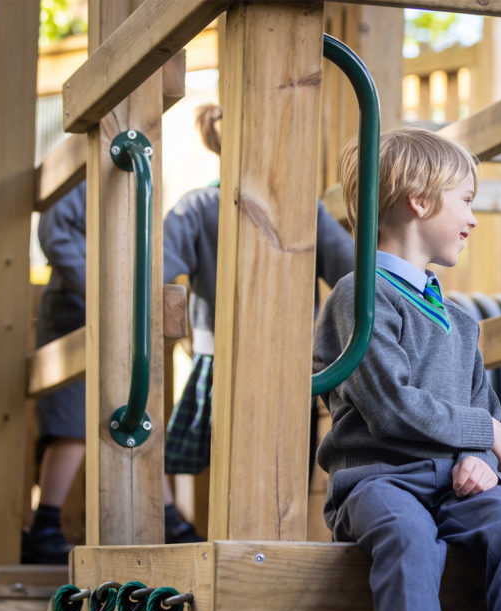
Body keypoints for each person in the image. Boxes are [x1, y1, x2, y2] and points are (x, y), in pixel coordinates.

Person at [313, 128, 501, 611]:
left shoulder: (459, 319)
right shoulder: (361, 295)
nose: (473, 219)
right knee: (407, 536)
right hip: (379, 482)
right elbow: (389, 406)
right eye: (466, 201)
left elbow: (483, 403)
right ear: (420, 201)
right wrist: (486, 430)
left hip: (453, 485)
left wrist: (482, 453)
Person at [162, 104, 354, 478]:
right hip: (286, 360)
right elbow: (353, 272)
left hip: (220, 356)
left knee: (228, 473)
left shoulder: (198, 206)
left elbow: (158, 266)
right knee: (283, 472)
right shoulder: (300, 209)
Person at [23, 180, 202, 564]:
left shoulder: (138, 174)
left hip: (124, 313)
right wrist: (103, 289)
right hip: (79, 307)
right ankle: (46, 525)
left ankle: (167, 518)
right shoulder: (83, 177)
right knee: (71, 424)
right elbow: (54, 234)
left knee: (136, 411)